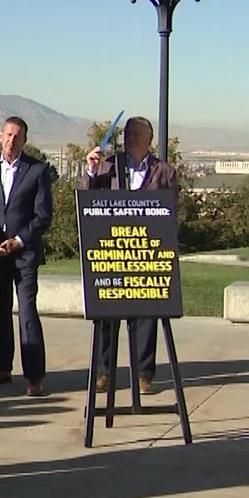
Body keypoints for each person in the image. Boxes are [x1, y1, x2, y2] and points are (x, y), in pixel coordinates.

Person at [82, 115, 179, 395]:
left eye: (137, 134)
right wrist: (90, 171)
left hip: (146, 255)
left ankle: (144, 375)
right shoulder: (109, 166)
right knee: (107, 318)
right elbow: (87, 200)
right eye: (127, 134)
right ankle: (104, 372)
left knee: (145, 318)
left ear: (149, 139)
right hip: (112, 253)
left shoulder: (165, 172)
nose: (131, 139)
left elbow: (171, 215)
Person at [0, 116, 55, 397]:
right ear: (0, 136)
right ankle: (3, 368)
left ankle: (34, 376)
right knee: (0, 313)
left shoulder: (37, 170)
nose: (12, 140)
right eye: (8, 135)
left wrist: (19, 241)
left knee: (27, 314)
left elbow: (43, 215)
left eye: (17, 136)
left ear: (25, 140)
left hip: (25, 254)